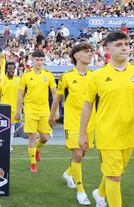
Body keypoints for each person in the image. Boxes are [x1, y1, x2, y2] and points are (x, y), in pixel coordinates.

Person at [79, 31, 134, 207]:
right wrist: (82, 134)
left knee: (116, 172)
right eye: (118, 45)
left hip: (130, 134)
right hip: (107, 135)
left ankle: (99, 193)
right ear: (107, 49)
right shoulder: (97, 76)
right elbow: (87, 106)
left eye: (126, 44)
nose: (124, 48)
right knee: (114, 176)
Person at [49, 43, 95, 205]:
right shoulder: (67, 76)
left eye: (91, 51)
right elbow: (58, 97)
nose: (90, 54)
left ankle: (69, 173)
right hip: (73, 121)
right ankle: (81, 191)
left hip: (91, 122)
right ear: (77, 56)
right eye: (86, 51)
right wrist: (52, 114)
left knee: (83, 153)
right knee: (77, 153)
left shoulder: (94, 76)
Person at [14, 50, 57, 173]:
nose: (39, 62)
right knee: (32, 136)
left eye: (41, 60)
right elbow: (20, 94)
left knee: (45, 138)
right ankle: (32, 163)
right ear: (32, 60)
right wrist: (18, 110)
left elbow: (55, 93)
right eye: (37, 60)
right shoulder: (26, 75)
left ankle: (37, 149)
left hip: (44, 111)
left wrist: (55, 111)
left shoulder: (48, 75)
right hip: (30, 110)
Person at [0, 62, 21, 151]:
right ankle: (1, 143)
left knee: (12, 127)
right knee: (3, 127)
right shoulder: (2, 79)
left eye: (12, 68)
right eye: (9, 68)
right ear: (6, 69)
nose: (11, 70)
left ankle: (9, 145)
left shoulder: (18, 79)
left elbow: (21, 94)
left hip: (14, 107)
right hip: (3, 107)